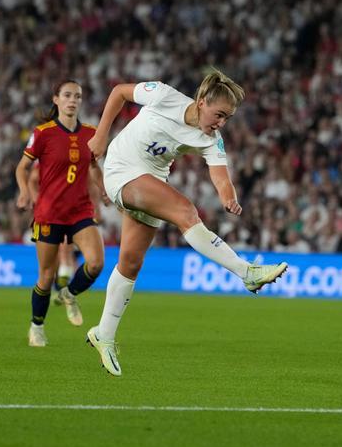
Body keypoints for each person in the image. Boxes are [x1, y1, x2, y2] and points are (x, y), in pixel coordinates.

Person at [85, 69, 288, 376]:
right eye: (219, 115)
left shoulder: (211, 139)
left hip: (152, 180)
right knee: (185, 211)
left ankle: (104, 334)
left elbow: (221, 176)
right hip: (121, 168)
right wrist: (101, 134)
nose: (221, 123)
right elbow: (119, 92)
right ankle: (246, 272)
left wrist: (228, 196)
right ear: (202, 101)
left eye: (228, 118)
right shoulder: (163, 95)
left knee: (130, 263)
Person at [15, 80, 106, 347]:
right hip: (49, 213)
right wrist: (23, 192)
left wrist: (102, 188)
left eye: (77, 96)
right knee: (45, 276)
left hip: (79, 211)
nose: (73, 100)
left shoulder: (91, 133)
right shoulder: (42, 133)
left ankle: (69, 293)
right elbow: (22, 168)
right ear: (56, 99)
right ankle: (37, 326)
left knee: (96, 263)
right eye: (67, 95)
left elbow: (93, 167)